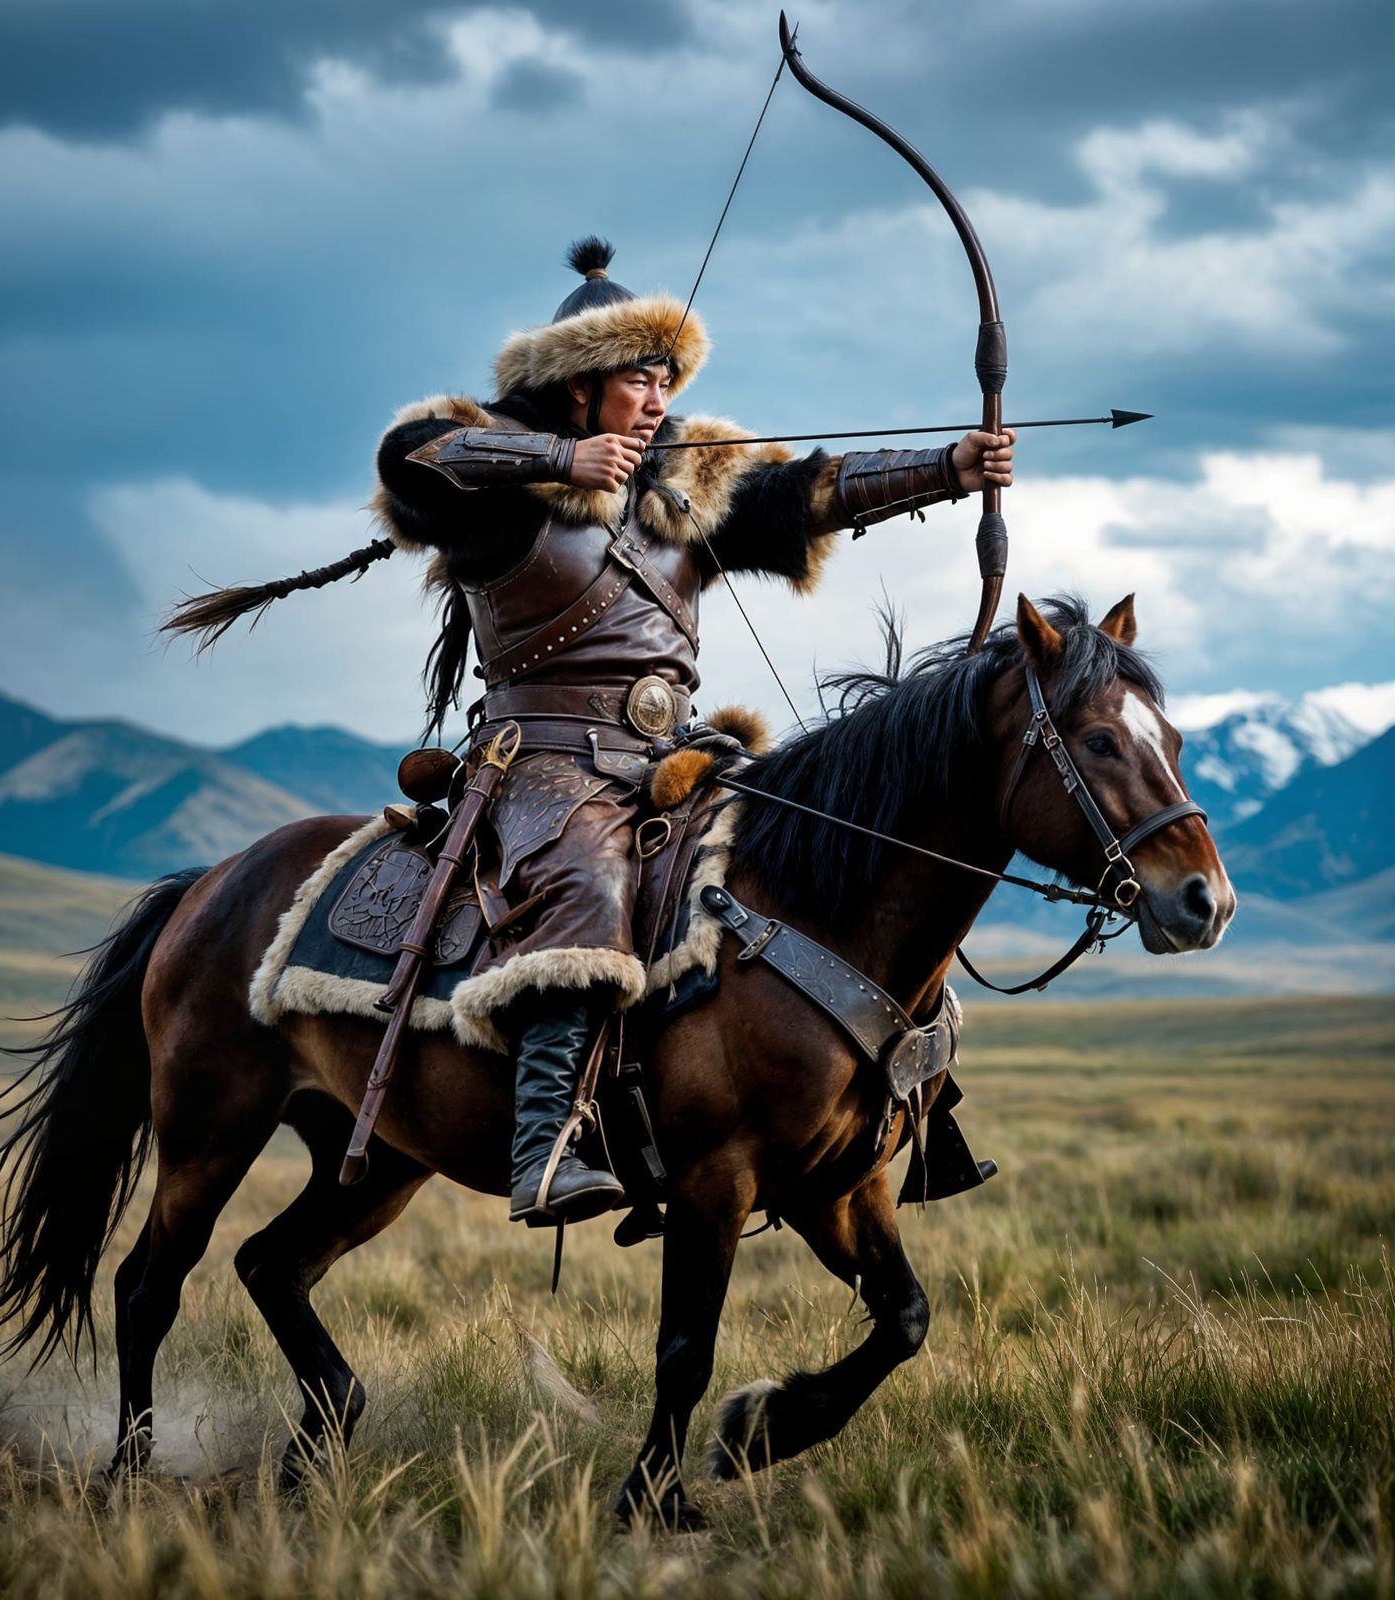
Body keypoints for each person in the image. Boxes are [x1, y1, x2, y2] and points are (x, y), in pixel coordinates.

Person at [371, 237, 1015, 1227]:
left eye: (668, 378)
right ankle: (545, 1144)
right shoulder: (502, 499)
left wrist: (946, 466)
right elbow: (409, 452)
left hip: (675, 760)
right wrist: (560, 458)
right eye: (639, 377)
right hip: (543, 762)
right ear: (579, 385)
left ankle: (905, 1105)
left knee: (817, 863)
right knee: (588, 887)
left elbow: (806, 491)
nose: (659, 398)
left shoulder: (680, 498)